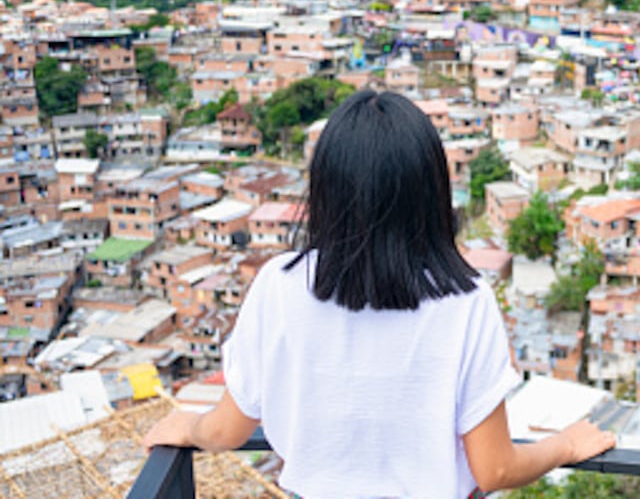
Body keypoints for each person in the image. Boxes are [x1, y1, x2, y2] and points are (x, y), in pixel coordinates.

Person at [142, 91, 615, 498]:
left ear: (326, 188)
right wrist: (566, 446)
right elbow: (495, 468)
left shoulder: (278, 286)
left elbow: (228, 430)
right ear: (430, 191)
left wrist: (188, 427)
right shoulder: (467, 301)